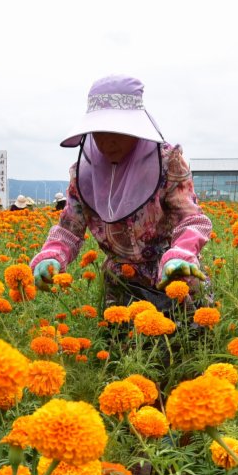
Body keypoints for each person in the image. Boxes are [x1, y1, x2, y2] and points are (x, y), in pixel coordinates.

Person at [30, 75, 212, 311]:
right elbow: (69, 229)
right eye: (99, 132)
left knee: (189, 330)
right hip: (121, 281)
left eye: (118, 132)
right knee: (122, 334)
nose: (108, 143)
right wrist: (52, 255)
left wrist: (181, 253)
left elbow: (191, 219)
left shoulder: (167, 163)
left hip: (173, 272)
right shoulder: (83, 175)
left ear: (136, 129)